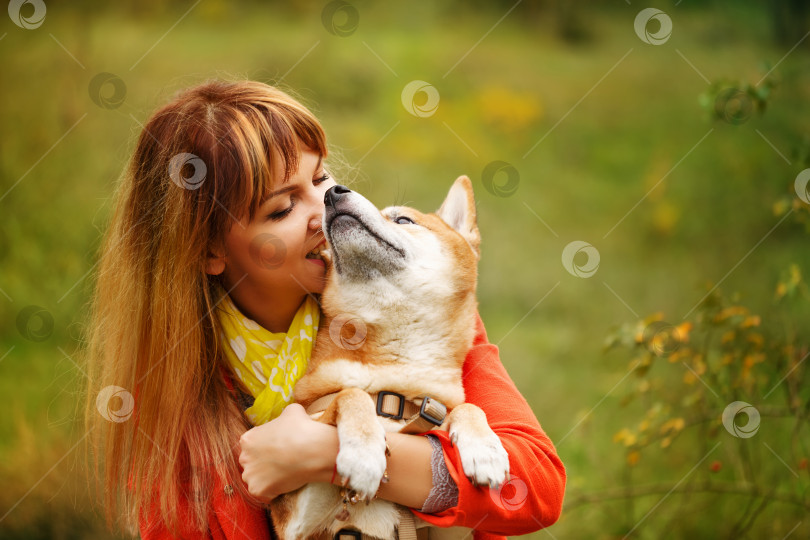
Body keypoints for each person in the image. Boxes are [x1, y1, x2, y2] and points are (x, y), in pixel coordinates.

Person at [85, 79, 565, 540]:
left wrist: (325, 452)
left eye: (321, 178)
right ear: (210, 251)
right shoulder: (178, 409)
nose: (325, 210)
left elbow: (536, 487)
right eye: (281, 209)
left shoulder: (410, 311)